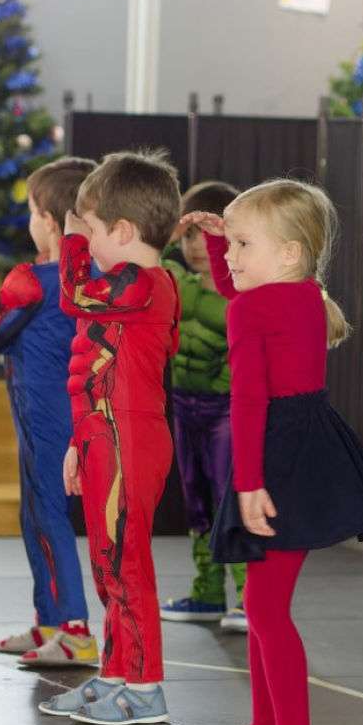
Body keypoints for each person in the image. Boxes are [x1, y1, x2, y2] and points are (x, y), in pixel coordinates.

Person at [185, 179, 363, 725]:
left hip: (276, 456)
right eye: (230, 244)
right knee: (262, 603)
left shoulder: (255, 307)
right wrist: (221, 245)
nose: (230, 257)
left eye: (243, 244)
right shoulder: (305, 293)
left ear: (289, 252)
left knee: (264, 606)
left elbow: (248, 399)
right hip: (303, 445)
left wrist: (249, 482)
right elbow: (238, 290)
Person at [37, 150, 181, 725]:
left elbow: (73, 295)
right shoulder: (123, 288)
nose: (84, 242)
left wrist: (68, 240)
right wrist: (79, 442)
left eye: (91, 230)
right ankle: (117, 673)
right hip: (104, 435)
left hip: (131, 437)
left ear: (122, 231)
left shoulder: (146, 284)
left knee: (126, 564)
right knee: (107, 564)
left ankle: (146, 689)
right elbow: (92, 371)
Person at [0, 157, 98, 667]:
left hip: (48, 420)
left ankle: (75, 629)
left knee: (48, 516)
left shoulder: (40, 281)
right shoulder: (84, 279)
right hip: (50, 418)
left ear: (49, 222)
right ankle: (50, 620)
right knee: (34, 515)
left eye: (32, 211)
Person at [159, 180, 248, 632]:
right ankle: (208, 591)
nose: (196, 245)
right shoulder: (177, 283)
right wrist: (166, 236)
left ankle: (250, 598)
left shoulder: (243, 295)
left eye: (206, 233)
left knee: (233, 500)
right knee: (197, 502)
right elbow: (137, 269)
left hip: (227, 411)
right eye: (189, 235)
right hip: (183, 406)